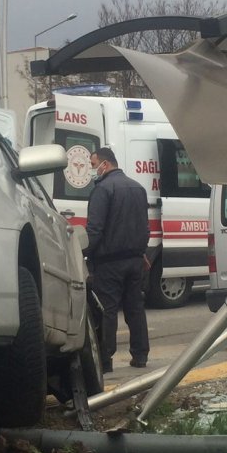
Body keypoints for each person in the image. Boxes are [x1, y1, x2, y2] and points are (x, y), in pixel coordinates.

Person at [84, 146, 151, 371]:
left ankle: (105, 360)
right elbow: (144, 226)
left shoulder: (103, 190)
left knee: (107, 311)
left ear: (105, 163)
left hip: (109, 262)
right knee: (135, 309)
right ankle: (140, 356)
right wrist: (142, 253)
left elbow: (94, 229)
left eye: (94, 165)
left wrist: (85, 254)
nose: (93, 170)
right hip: (134, 261)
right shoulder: (138, 187)